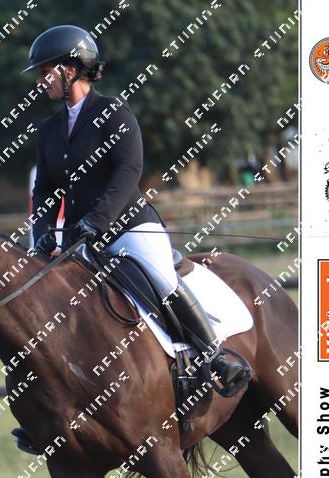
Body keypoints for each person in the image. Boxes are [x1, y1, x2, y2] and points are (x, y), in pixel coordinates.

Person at [12, 25, 248, 454]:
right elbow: (45, 189)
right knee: (49, 307)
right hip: (79, 240)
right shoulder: (48, 130)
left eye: (46, 71)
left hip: (129, 229)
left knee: (161, 280)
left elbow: (127, 172)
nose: (40, 80)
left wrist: (97, 220)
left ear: (71, 70)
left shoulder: (114, 112)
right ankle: (50, 408)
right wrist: (44, 232)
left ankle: (215, 356)